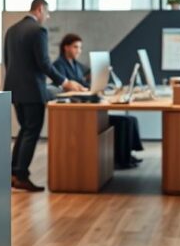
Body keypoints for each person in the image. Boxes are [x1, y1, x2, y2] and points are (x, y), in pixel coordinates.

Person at [5, 0, 85, 192]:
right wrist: (65, 83)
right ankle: (21, 175)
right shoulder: (38, 31)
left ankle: (13, 174)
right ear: (40, 9)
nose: (47, 18)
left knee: (25, 131)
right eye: (47, 14)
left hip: (15, 89)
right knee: (31, 133)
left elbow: (8, 61)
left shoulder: (12, 30)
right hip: (33, 91)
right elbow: (44, 64)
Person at [53, 33, 143, 170]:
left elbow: (84, 80)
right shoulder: (59, 65)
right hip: (75, 110)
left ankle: (126, 156)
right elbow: (63, 86)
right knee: (124, 122)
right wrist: (82, 87)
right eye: (75, 47)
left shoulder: (76, 65)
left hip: (85, 105)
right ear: (66, 47)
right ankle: (122, 159)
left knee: (130, 119)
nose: (78, 50)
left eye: (80, 48)